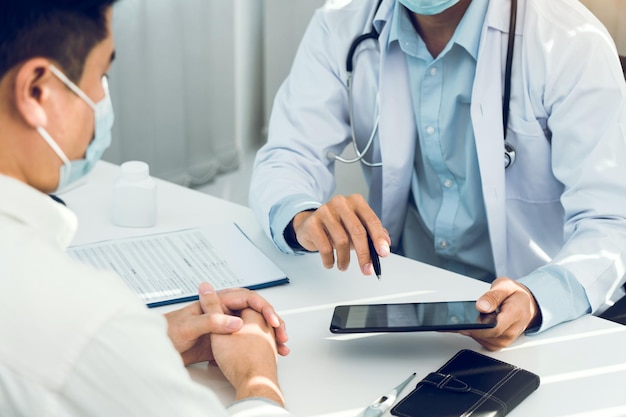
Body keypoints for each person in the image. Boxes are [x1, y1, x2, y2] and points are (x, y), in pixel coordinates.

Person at [250, 0, 626, 351]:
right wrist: (303, 219)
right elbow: (289, 154)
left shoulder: (568, 41)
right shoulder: (342, 22)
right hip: (411, 301)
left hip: (543, 324)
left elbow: (611, 223)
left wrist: (538, 297)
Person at [0, 1, 293, 415]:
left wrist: (145, 342)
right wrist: (256, 380)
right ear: (36, 91)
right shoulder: (87, 317)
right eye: (101, 75)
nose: (102, 96)